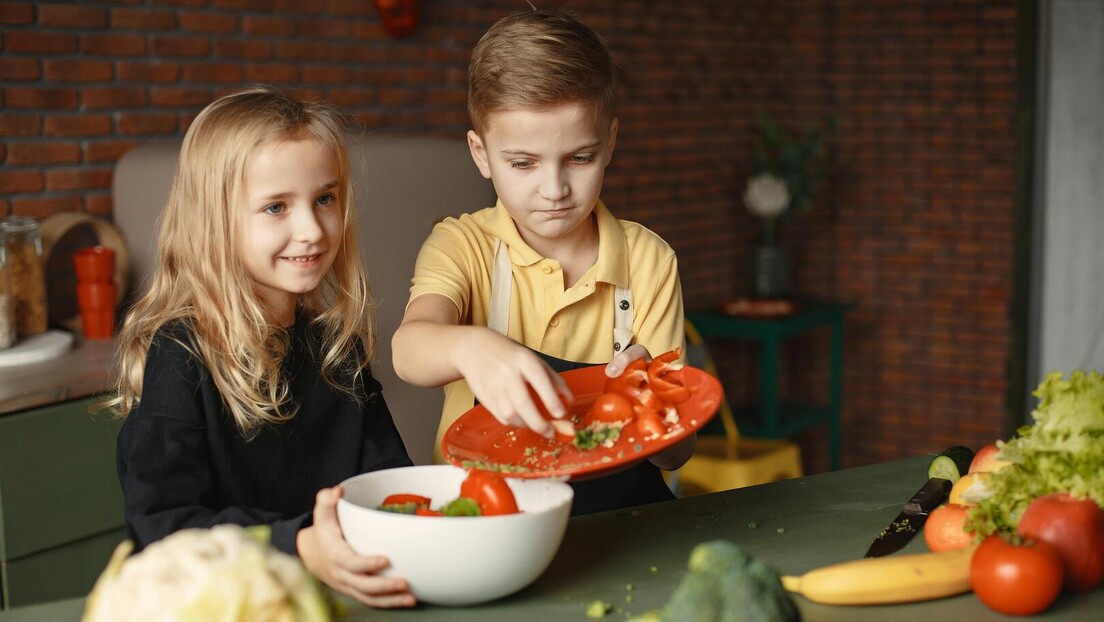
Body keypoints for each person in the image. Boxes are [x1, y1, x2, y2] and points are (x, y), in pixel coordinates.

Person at [106, 86, 416, 608]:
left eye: (325, 198)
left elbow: (392, 488)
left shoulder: (335, 347)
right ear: (215, 221)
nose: (312, 230)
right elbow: (166, 527)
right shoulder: (180, 354)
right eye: (276, 207)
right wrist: (298, 544)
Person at [392, 8, 694, 515]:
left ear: (610, 143)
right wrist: (471, 346)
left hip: (619, 522)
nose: (554, 190)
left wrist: (653, 403)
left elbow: (679, 455)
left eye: (579, 158)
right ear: (481, 153)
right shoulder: (462, 245)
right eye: (523, 163)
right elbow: (408, 350)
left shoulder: (649, 260)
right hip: (489, 518)